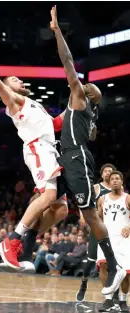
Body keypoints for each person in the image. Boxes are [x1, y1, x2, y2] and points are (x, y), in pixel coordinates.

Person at [0, 44, 68, 271]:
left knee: (60, 210)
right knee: (49, 195)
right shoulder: (13, 101)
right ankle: (12, 241)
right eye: (13, 79)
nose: (19, 81)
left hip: (51, 151)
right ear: (7, 88)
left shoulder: (37, 106)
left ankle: (25, 240)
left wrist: (75, 102)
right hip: (38, 149)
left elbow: (55, 125)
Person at [49, 5, 126, 295]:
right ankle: (21, 240)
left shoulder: (81, 99)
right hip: (69, 155)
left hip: (76, 156)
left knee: (91, 215)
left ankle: (116, 266)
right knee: (51, 199)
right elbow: (92, 133)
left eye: (86, 86)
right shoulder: (86, 110)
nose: (81, 85)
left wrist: (57, 30)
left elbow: (67, 60)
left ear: (88, 94)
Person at [76, 163, 116, 301]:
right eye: (105, 171)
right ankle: (83, 284)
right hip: (98, 228)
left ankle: (113, 293)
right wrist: (82, 216)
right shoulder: (96, 188)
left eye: (110, 171)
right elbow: (84, 202)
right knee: (91, 260)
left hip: (113, 230)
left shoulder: (118, 190)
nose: (107, 173)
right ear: (102, 174)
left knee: (112, 262)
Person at [97, 171, 130, 312]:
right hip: (107, 238)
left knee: (126, 271)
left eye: (118, 178)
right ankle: (109, 300)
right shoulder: (102, 199)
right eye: (112, 179)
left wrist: (128, 226)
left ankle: (123, 300)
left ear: (122, 182)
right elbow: (98, 219)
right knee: (103, 265)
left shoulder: (128, 198)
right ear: (109, 183)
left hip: (123, 238)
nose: (115, 181)